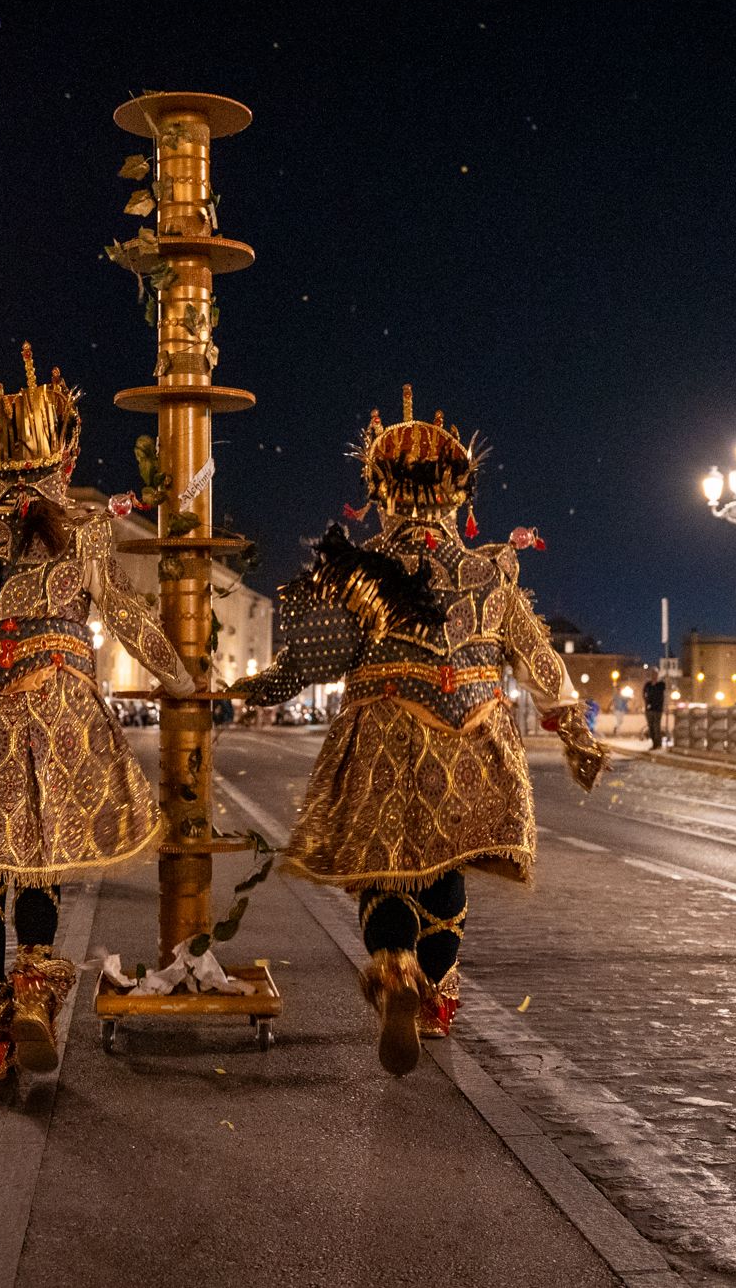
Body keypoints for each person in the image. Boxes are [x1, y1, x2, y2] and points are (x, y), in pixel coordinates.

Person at [238, 387, 605, 1075]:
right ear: (458, 495)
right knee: (444, 863)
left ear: (378, 491)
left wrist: (250, 689)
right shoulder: (487, 570)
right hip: (468, 726)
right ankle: (433, 992)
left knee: (385, 866)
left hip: (380, 722)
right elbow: (536, 654)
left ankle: (395, 968)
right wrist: (574, 731)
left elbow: (310, 658)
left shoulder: (357, 568)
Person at [0, 344, 194, 1088]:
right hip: (51, 699)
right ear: (67, 450)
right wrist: (179, 678)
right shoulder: (81, 529)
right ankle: (34, 995)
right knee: (43, 856)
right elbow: (123, 613)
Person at [643, 668, 668, 749]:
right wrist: (646, 702)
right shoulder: (648, 684)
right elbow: (643, 693)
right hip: (649, 709)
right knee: (651, 727)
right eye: (653, 674)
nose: (654, 676)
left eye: (655, 674)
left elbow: (665, 694)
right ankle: (654, 743)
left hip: (658, 709)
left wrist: (664, 706)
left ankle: (658, 743)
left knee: (657, 727)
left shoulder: (661, 684)